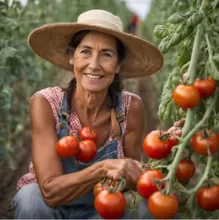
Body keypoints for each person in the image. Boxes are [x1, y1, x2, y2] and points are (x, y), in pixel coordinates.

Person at [11, 9, 181, 219]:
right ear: (71, 57)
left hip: (102, 208)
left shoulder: (130, 107)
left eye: (106, 54)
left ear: (118, 65)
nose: (94, 64)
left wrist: (168, 148)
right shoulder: (46, 102)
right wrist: (103, 168)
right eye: (85, 52)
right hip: (50, 209)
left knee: (151, 207)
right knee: (30, 198)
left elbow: (132, 179)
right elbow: (50, 191)